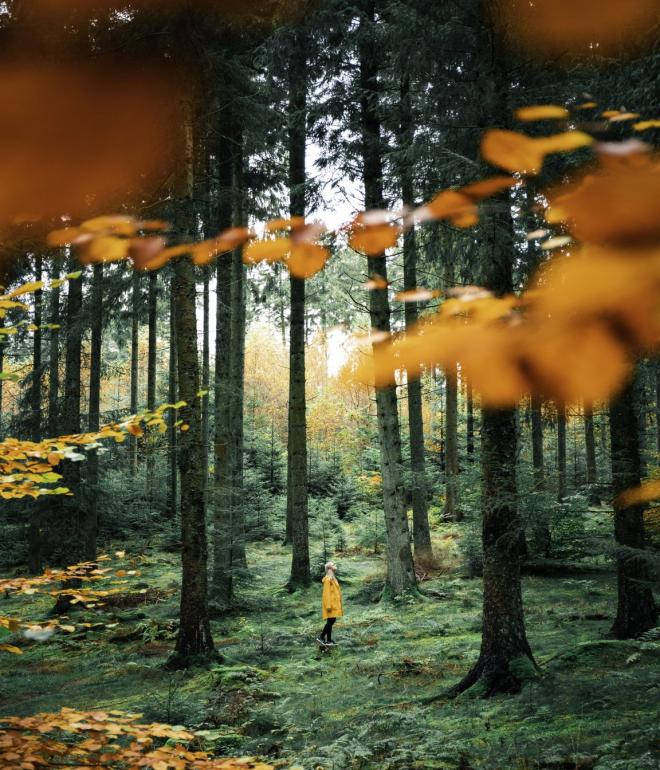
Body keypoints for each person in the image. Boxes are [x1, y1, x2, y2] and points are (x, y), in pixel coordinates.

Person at [317, 561, 343, 646]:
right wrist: (328, 605)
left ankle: (328, 640)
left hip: (334, 604)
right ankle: (321, 637)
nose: (335, 565)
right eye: (333, 565)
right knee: (331, 620)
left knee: (331, 620)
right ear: (329, 568)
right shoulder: (328, 579)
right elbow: (326, 593)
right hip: (330, 605)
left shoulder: (332, 578)